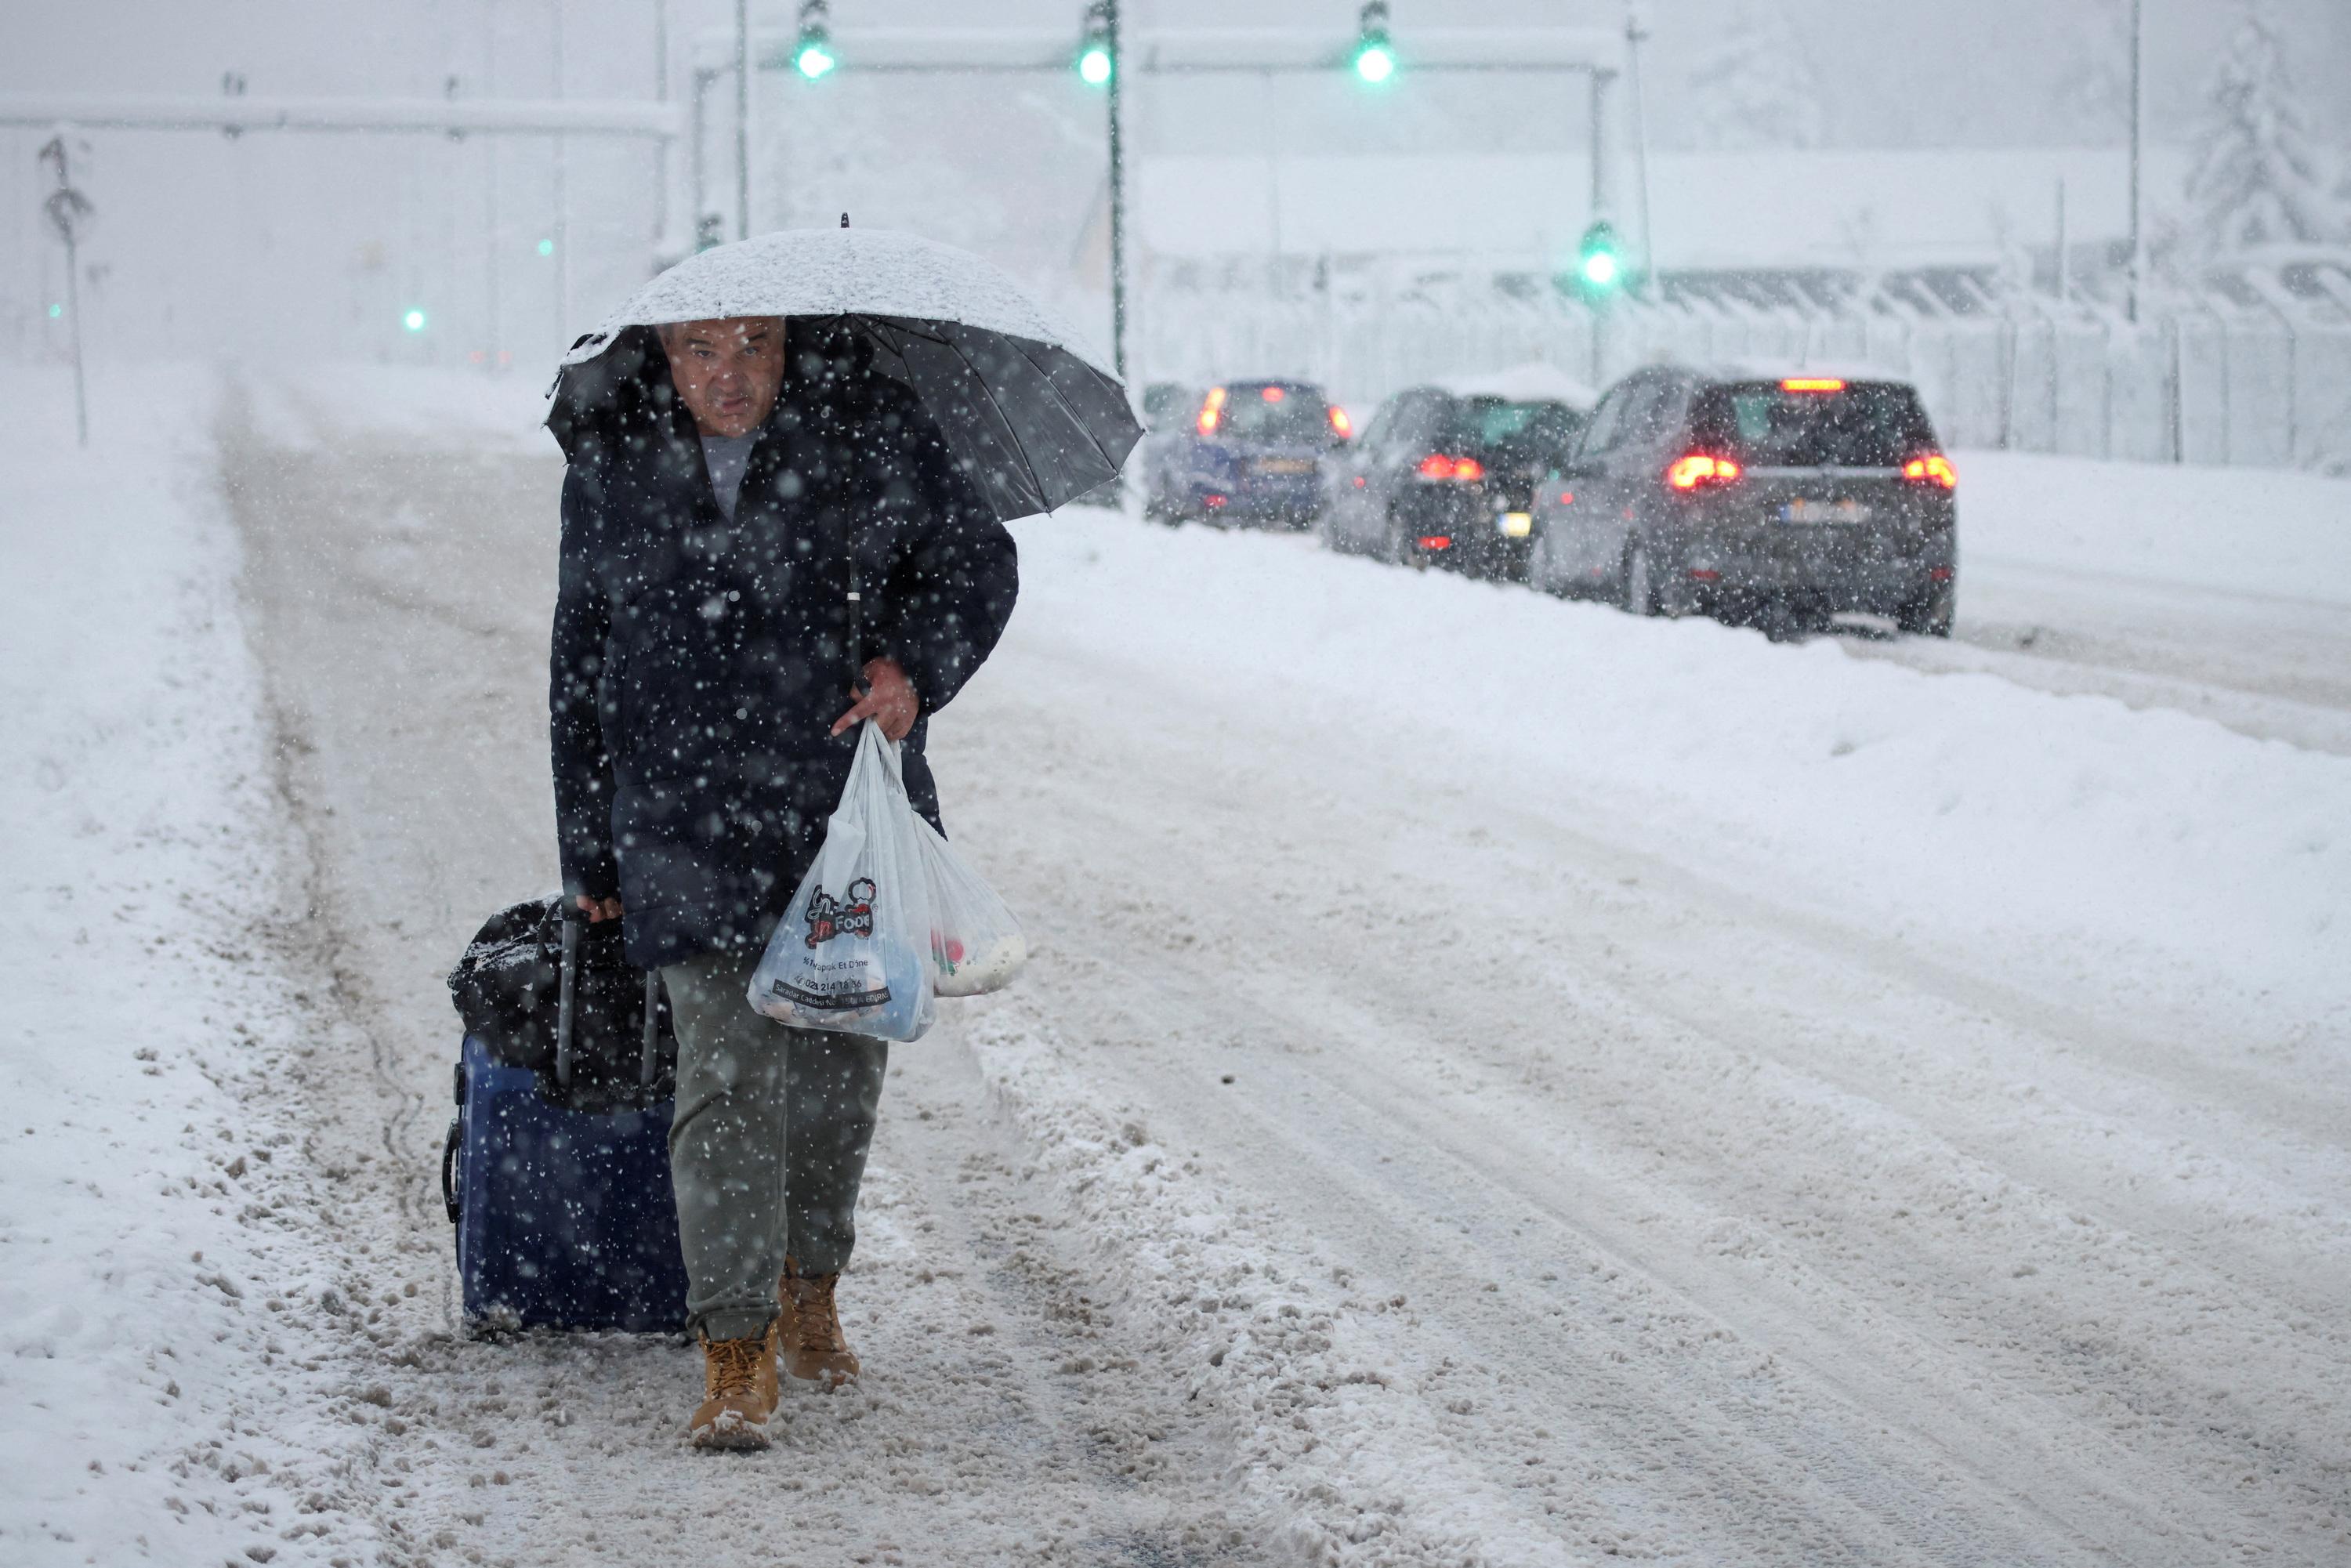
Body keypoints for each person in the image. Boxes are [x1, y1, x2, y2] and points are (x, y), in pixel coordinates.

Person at [549, 313, 1017, 1450]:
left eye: (754, 346)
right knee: (723, 1072)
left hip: (838, 809)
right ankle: (735, 1345)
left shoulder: (869, 431)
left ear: (790, 349)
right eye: (702, 350)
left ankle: (813, 1281)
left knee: (836, 1072)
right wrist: (588, 849)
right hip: (680, 817)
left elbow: (979, 564)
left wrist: (915, 667)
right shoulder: (615, 459)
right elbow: (579, 650)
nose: (729, 374)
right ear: (661, 354)